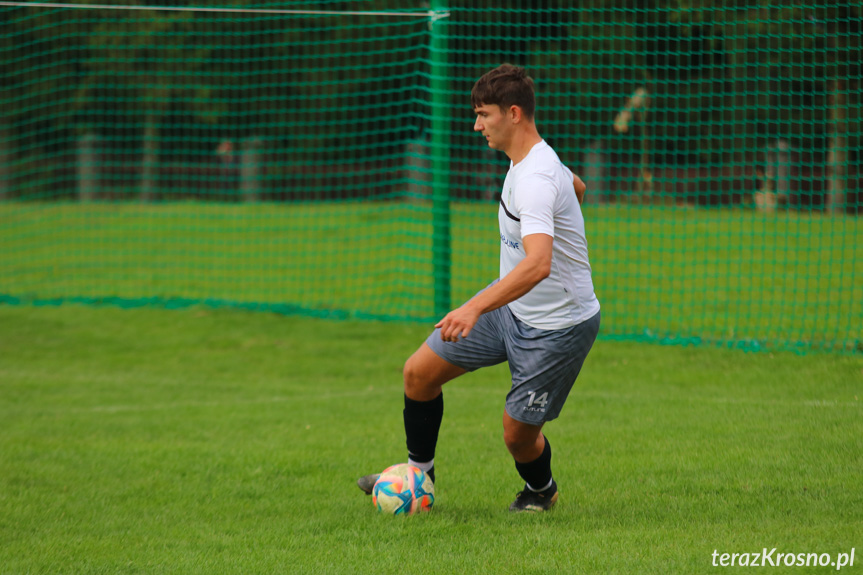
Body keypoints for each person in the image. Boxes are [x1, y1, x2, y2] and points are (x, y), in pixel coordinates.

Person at [358, 64, 600, 512]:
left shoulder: (536, 179)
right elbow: (577, 186)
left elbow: (540, 264)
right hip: (512, 306)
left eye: (483, 114)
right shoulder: (532, 162)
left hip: (557, 326)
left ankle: (540, 493)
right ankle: (419, 477)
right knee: (419, 373)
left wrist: (472, 308)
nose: (476, 125)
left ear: (512, 113)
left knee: (517, 435)